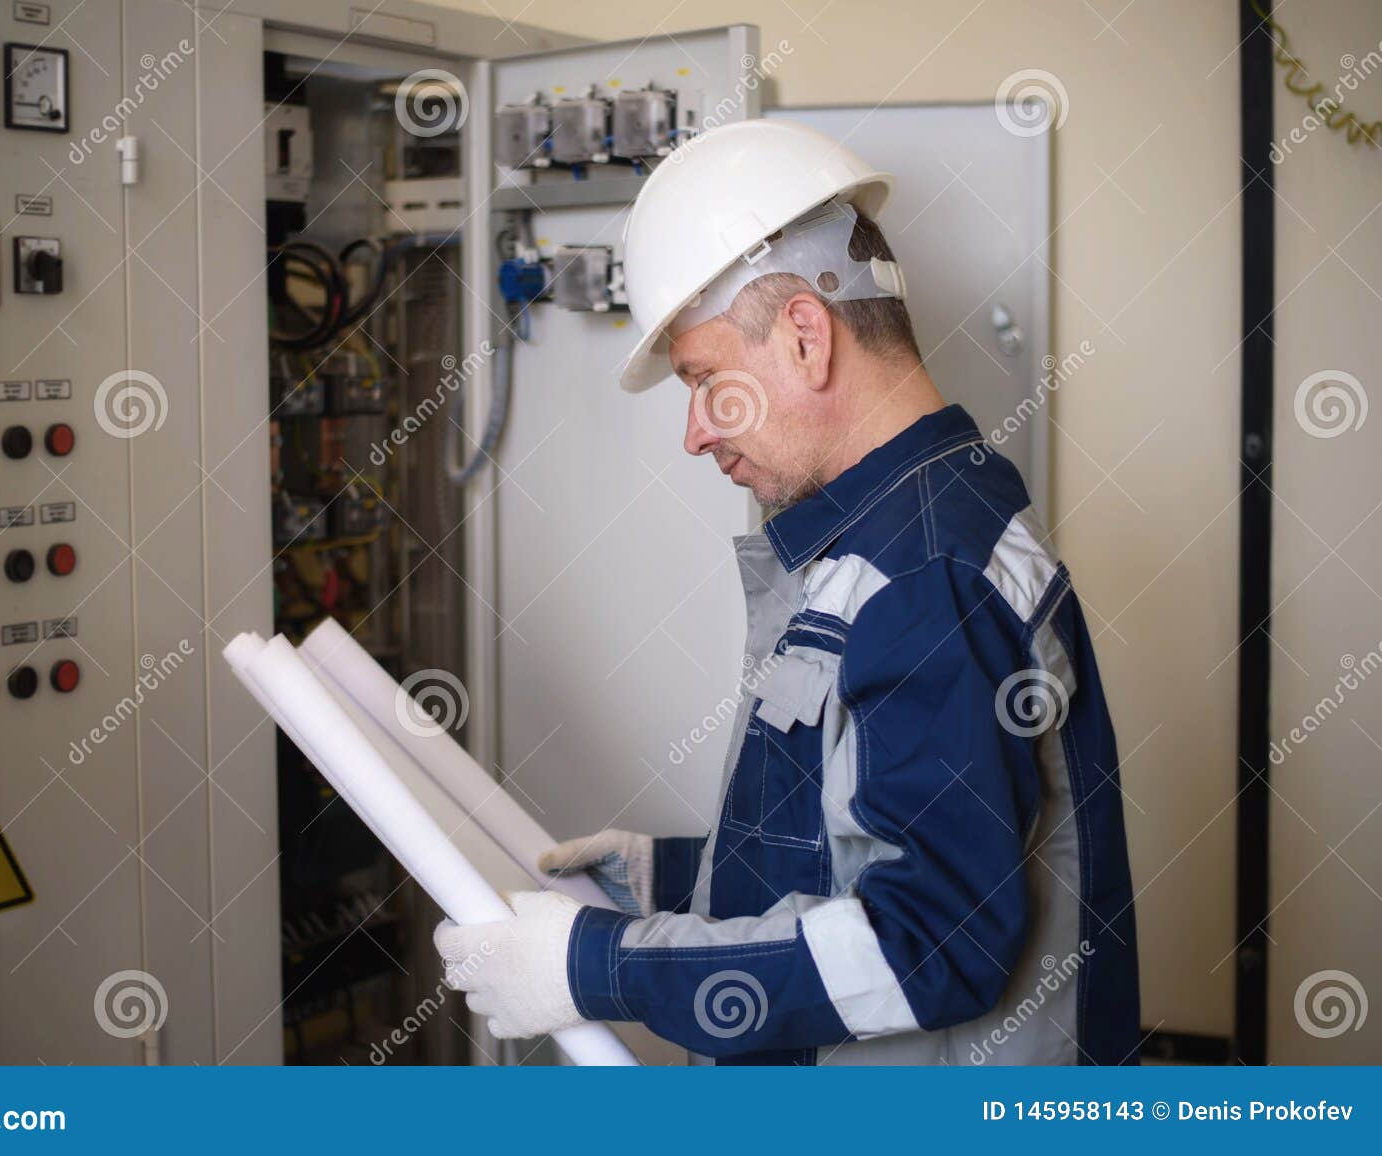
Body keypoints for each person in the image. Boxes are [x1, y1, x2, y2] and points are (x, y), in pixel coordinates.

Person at [434, 119, 1140, 1065]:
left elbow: (930, 943)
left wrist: (600, 968)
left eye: (706, 381)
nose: (695, 433)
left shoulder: (923, 574)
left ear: (806, 335)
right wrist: (675, 877)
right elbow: (861, 840)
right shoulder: (903, 530)